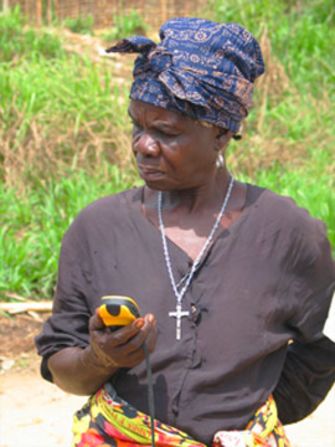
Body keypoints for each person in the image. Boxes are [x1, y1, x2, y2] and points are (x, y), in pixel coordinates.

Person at [35, 17, 335, 447]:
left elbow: (321, 349)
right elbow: (62, 364)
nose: (143, 145)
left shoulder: (288, 235)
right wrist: (99, 358)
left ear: (221, 133)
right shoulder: (97, 230)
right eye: (137, 126)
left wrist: (253, 417)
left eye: (165, 132)